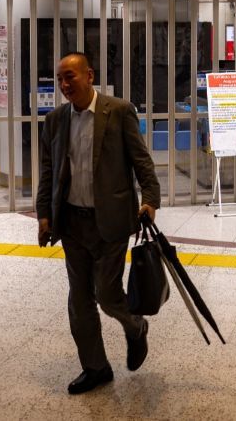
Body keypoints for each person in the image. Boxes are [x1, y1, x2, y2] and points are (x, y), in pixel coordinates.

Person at [36, 52, 161, 395]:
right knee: (79, 301)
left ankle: (135, 327)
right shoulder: (56, 121)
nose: (64, 85)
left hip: (112, 220)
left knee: (106, 295)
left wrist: (150, 200)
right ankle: (96, 367)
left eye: (70, 77)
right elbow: (49, 171)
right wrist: (44, 215)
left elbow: (141, 161)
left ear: (89, 75)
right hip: (72, 223)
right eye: (59, 79)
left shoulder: (118, 111)